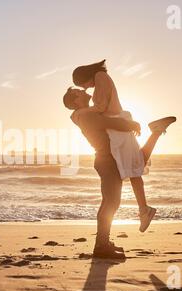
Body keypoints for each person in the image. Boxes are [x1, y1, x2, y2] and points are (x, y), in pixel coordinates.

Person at [63, 86, 175, 259]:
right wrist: (131, 124)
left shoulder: (86, 112)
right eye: (79, 92)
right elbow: (110, 123)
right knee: (111, 203)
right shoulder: (85, 115)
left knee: (133, 169)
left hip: (110, 158)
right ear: (75, 100)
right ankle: (101, 245)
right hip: (107, 161)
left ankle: (103, 243)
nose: (84, 91)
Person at [73, 60, 176, 232]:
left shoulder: (100, 76)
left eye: (82, 84)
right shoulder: (100, 78)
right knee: (136, 165)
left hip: (117, 127)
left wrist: (82, 112)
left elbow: (101, 107)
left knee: (136, 166)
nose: (84, 88)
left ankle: (144, 210)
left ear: (85, 76)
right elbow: (101, 108)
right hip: (116, 126)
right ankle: (144, 209)